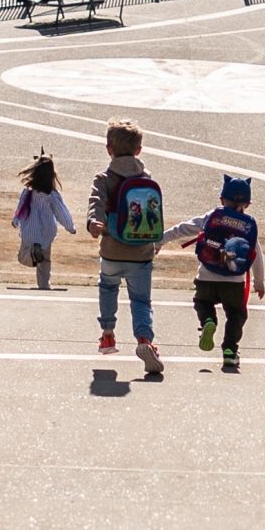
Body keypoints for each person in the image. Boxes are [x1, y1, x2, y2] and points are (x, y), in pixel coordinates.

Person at [85, 120, 166, 378]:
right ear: (139, 150)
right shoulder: (146, 178)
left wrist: (93, 222)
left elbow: (96, 202)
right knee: (141, 301)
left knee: (108, 287)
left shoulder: (104, 179)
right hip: (141, 252)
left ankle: (107, 335)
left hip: (111, 249)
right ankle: (144, 339)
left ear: (108, 148)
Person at [165, 176, 265, 374]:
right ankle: (229, 350)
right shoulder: (248, 225)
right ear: (247, 203)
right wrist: (259, 282)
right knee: (236, 314)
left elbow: (185, 228)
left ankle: (208, 321)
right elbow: (256, 255)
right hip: (234, 281)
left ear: (222, 199)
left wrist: (160, 239)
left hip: (206, 276)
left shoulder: (213, 216)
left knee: (202, 302)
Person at [10, 155, 76, 291]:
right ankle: (44, 285)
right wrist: (70, 227)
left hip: (29, 229)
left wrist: (15, 221)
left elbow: (21, 207)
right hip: (47, 232)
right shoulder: (52, 195)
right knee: (45, 261)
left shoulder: (27, 191)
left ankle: (32, 253)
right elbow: (61, 211)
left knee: (23, 258)